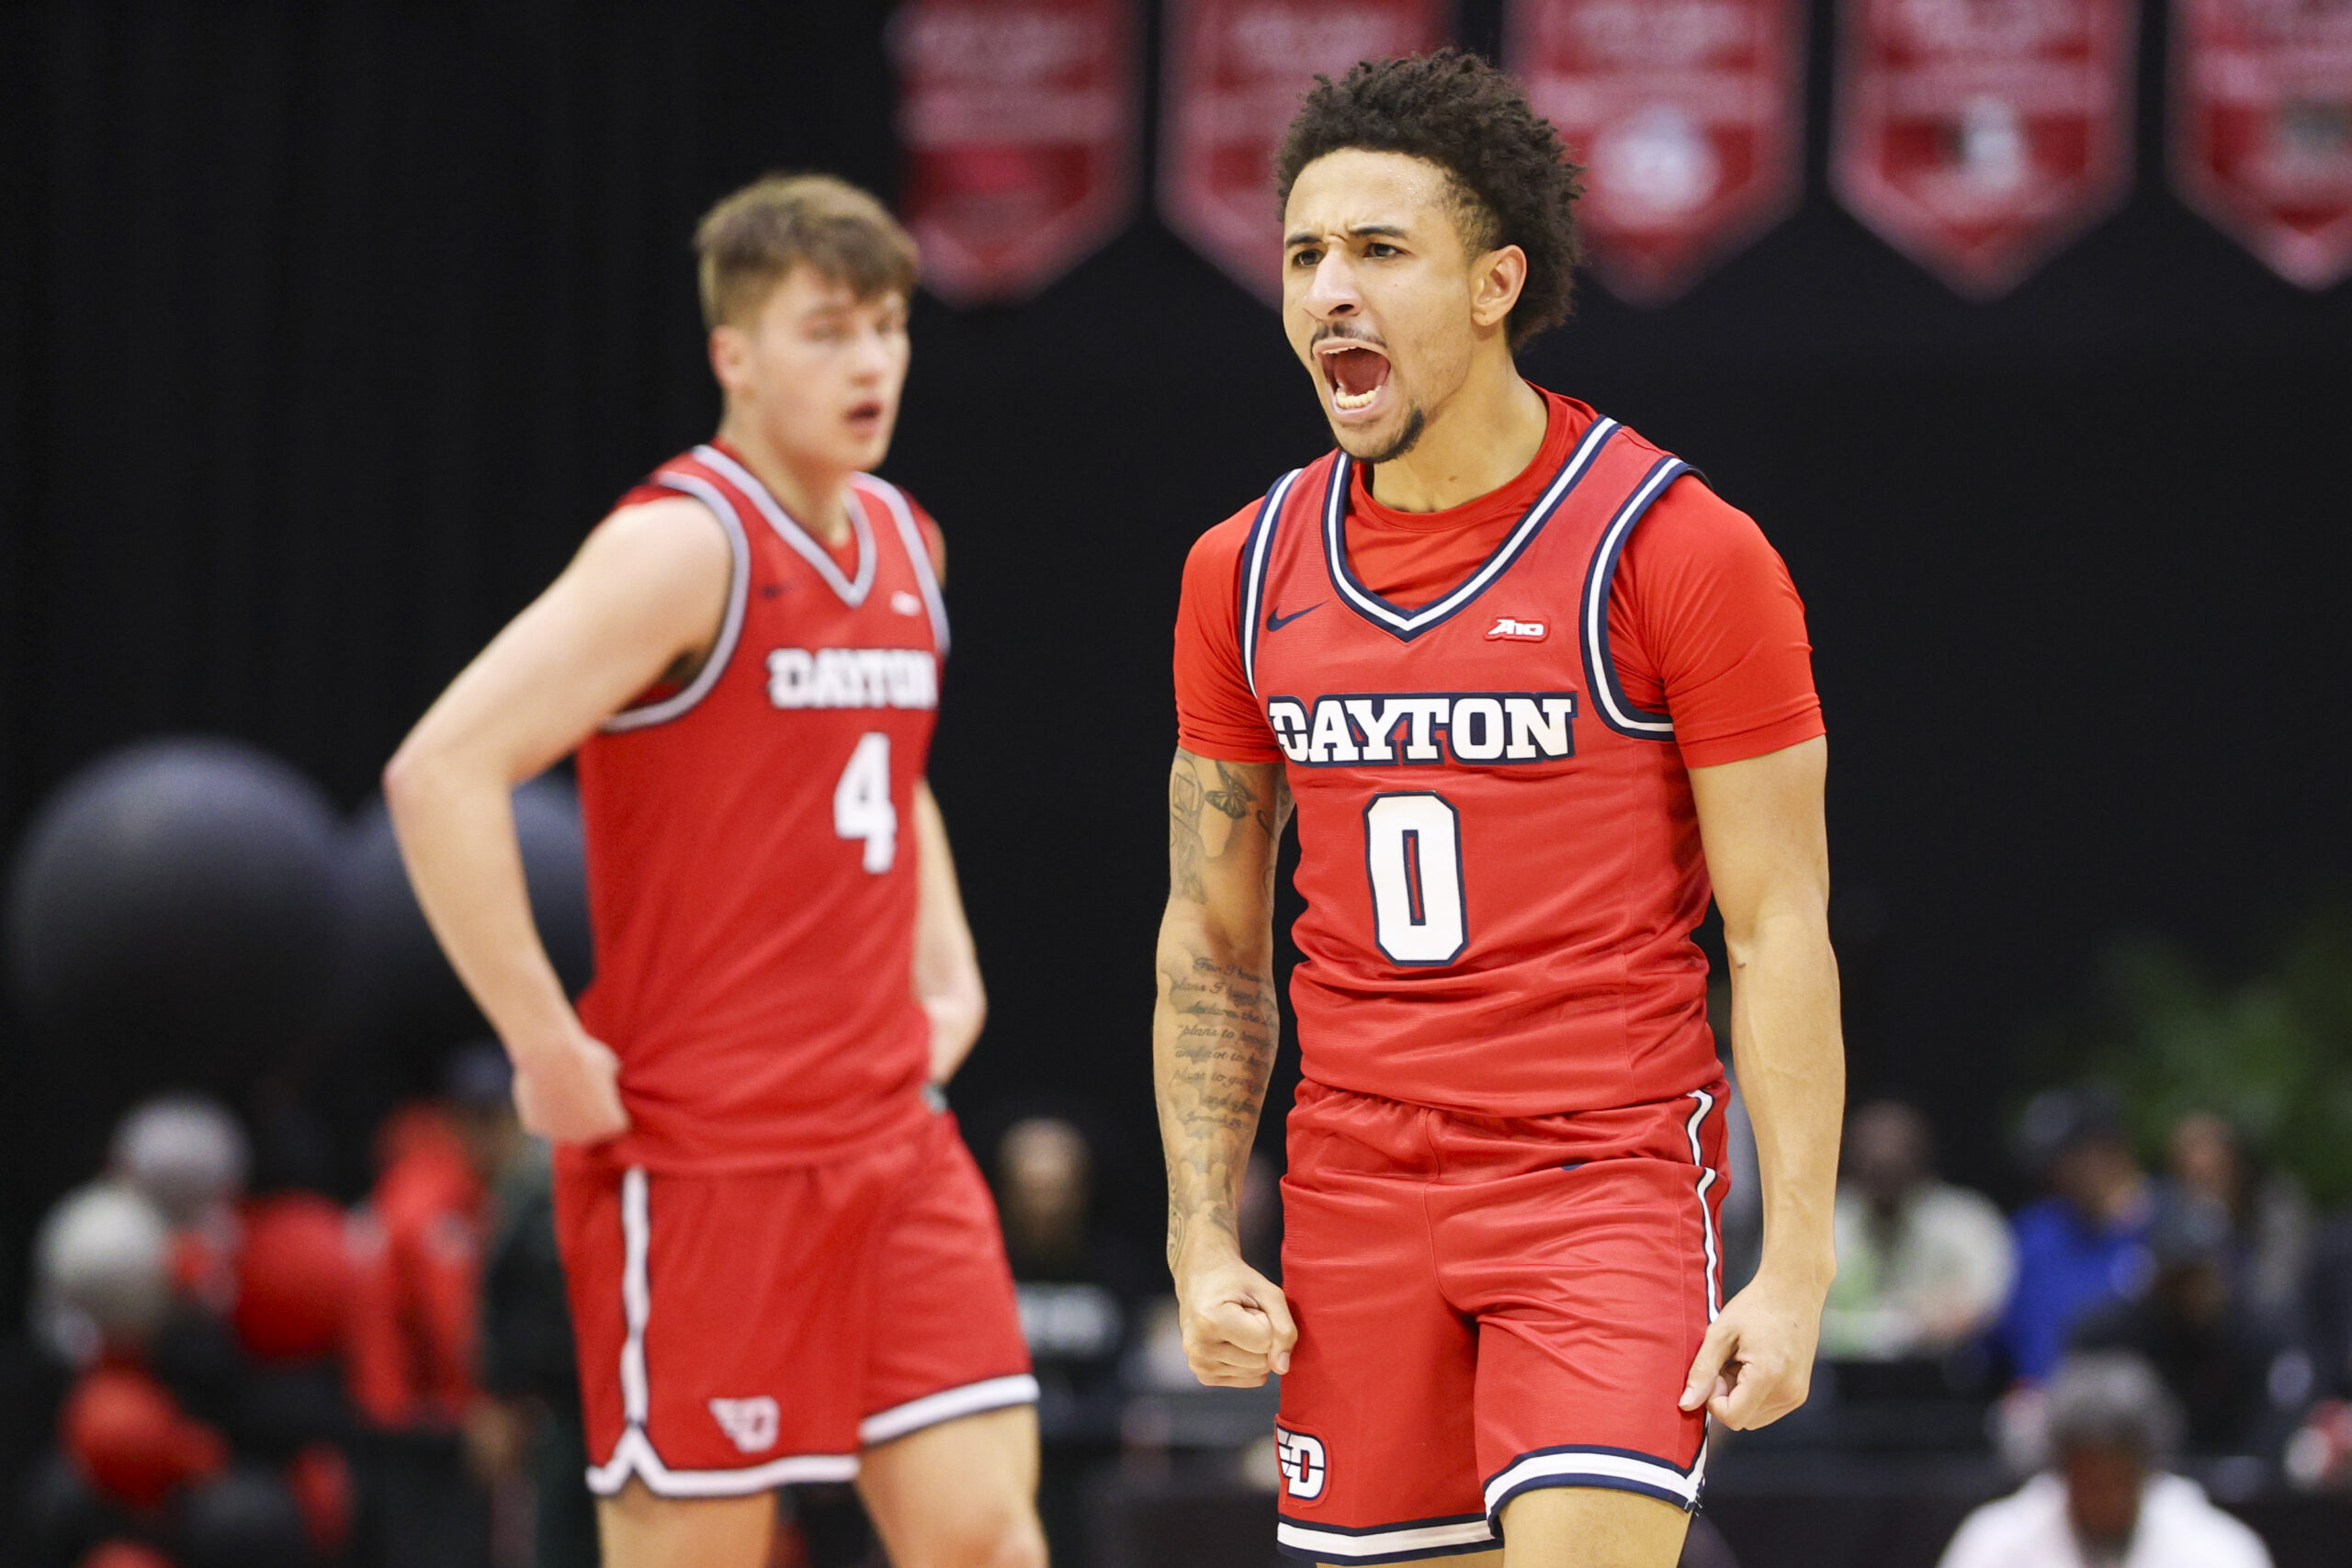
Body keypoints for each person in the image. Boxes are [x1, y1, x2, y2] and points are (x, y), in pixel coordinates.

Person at [1152, 51, 1842, 1568]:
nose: (1329, 288)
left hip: (1600, 1177)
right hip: (1354, 1192)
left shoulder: (1678, 548)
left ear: (1494, 283)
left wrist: (1796, 1266)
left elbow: (1778, 924)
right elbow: (1210, 939)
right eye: (1304, 254)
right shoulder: (1241, 571)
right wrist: (1203, 1239)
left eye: (1379, 251)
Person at [384, 173, 1043, 1568]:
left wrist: (950, 962)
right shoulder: (682, 545)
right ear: (733, 355)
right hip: (706, 1158)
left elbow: (886, 760)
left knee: (986, 1533)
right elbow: (438, 770)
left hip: (888, 1141)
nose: (870, 362)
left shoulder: (909, 542)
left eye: (887, 326)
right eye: (826, 331)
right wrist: (539, 1036)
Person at [1937, 1352, 2271, 1568]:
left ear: (2146, 1470)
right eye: (2088, 1479)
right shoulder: (1995, 1543)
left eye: (2119, 1479)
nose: (2105, 1497)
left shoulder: (2218, 1550)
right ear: (2061, 1470)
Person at [1821, 1100, 2015, 1360]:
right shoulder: (1820, 1224)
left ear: (1922, 1158)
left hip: (1944, 1377)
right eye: (1875, 1168)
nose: (1885, 1175)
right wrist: (1896, 1327)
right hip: (1834, 1380)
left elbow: (1985, 1305)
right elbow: (1788, 1315)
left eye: (1895, 1166)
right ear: (1849, 1159)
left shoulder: (1965, 1221)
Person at [1996, 1091, 2160, 1383]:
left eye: (2071, 1158)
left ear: (2110, 1150)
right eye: (2053, 1164)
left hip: (2134, 1405)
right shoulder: (2034, 1231)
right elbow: (1999, 1335)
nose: (2059, 1174)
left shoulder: (2165, 1223)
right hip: (2043, 1407)